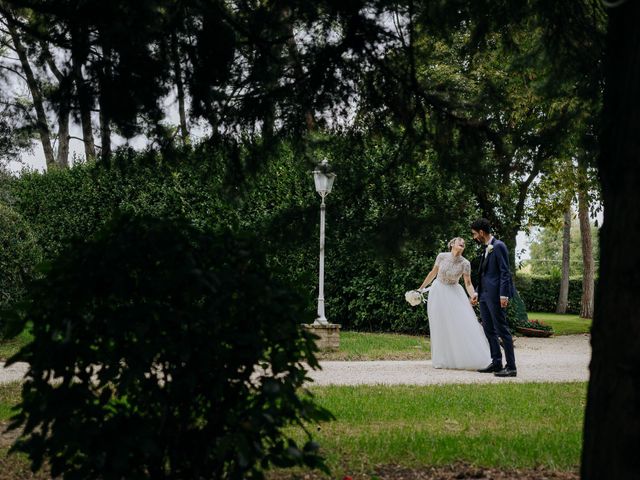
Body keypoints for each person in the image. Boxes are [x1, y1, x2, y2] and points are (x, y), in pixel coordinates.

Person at [417, 237, 491, 370]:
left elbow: (468, 283)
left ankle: (463, 357)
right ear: (452, 244)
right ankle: (441, 360)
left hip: (454, 293)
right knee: (439, 325)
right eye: (460, 241)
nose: (462, 243)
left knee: (460, 324)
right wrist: (421, 289)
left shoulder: (465, 263)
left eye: (464, 243)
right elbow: (433, 273)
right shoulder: (441, 256)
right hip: (438, 292)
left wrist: (473, 295)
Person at [470, 218, 517, 377]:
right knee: (488, 330)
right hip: (484, 295)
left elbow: (505, 272)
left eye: (475, 234)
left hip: (496, 296)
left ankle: (511, 367)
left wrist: (503, 294)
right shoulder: (486, 248)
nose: (474, 237)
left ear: (481, 232)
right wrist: (477, 291)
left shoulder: (499, 246)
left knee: (502, 330)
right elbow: (484, 273)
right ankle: (496, 362)